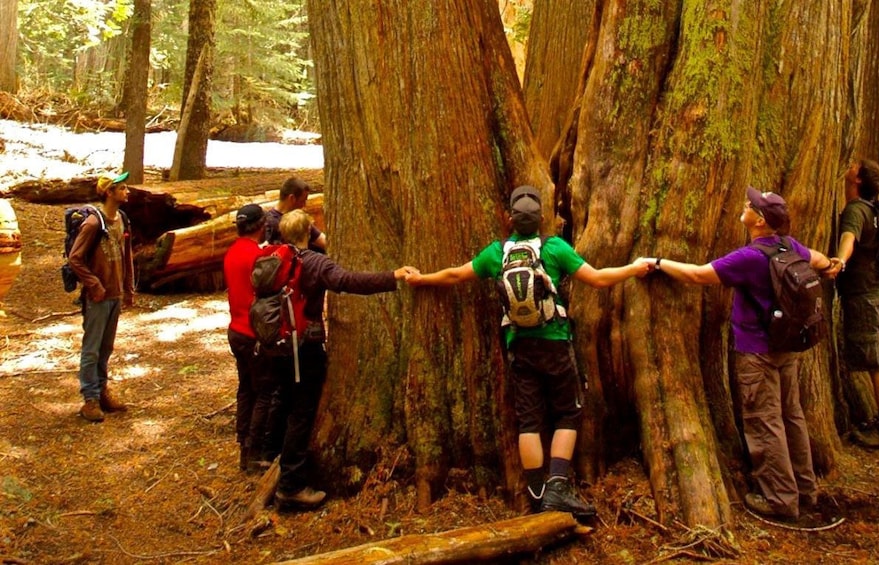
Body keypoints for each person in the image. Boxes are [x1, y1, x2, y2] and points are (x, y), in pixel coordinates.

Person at [405, 185, 651, 519]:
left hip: (519, 345)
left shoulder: (497, 253)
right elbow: (597, 279)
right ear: (540, 219)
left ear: (509, 219)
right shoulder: (554, 248)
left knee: (529, 419)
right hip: (554, 341)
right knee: (568, 412)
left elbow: (455, 275)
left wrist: (422, 279)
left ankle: (535, 492)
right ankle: (558, 488)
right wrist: (634, 269)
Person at [640, 186, 833, 522]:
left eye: (751, 205)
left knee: (764, 421)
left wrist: (658, 262)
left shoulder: (750, 258)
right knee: (791, 416)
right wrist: (833, 263)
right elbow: (816, 259)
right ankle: (804, 489)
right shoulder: (791, 246)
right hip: (787, 348)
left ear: (758, 221)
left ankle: (779, 499)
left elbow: (699, 275)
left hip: (756, 353)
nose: (745, 205)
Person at [270, 209, 416, 509]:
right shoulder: (313, 262)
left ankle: (273, 459)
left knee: (285, 406)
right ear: (309, 232)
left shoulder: (273, 257)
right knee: (301, 413)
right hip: (303, 348)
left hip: (276, 345)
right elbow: (349, 281)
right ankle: (290, 487)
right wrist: (393, 276)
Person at [829, 159, 879, 450]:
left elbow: (850, 236)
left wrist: (840, 259)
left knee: (877, 363)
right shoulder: (876, 209)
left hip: (863, 297)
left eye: (854, 166)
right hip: (877, 294)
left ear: (858, 179)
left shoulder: (857, 209)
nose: (848, 166)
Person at [68, 171, 135, 422]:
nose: (127, 192)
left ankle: (102, 390)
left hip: (115, 293)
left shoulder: (123, 219)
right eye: (122, 188)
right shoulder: (94, 223)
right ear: (109, 192)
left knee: (106, 347)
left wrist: (128, 288)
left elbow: (127, 254)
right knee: (92, 349)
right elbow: (75, 258)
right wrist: (93, 284)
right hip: (98, 297)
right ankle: (90, 399)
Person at [222, 204, 275, 472]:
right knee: (264, 392)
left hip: (236, 331)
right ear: (258, 226)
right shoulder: (257, 256)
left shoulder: (232, 252)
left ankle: (243, 444)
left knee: (246, 388)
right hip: (254, 334)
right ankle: (254, 453)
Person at [262, 177, 327, 251]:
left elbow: (323, 240)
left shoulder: (299, 219)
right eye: (302, 201)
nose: (304, 205)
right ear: (292, 198)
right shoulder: (269, 223)